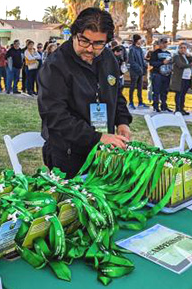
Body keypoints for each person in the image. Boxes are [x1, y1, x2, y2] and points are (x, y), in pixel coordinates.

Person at [38, 7, 132, 178]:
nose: (90, 49)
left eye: (98, 43)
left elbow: (116, 94)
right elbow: (55, 117)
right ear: (74, 34)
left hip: (104, 150)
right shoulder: (55, 66)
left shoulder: (108, 58)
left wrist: (123, 122)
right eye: (84, 41)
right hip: (68, 155)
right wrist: (97, 137)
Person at [169, 42, 192, 116]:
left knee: (183, 94)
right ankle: (177, 109)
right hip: (180, 78)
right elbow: (180, 65)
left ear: (187, 49)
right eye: (181, 48)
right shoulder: (176, 56)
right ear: (179, 49)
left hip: (187, 78)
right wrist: (189, 65)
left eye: (184, 48)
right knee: (179, 94)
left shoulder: (187, 56)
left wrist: (189, 56)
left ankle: (182, 109)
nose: (183, 49)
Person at [150, 38, 173, 113]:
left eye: (166, 43)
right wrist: (162, 62)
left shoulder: (169, 53)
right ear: (159, 44)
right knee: (156, 91)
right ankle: (155, 106)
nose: (164, 44)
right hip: (157, 74)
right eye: (163, 43)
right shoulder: (155, 53)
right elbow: (152, 63)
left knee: (165, 91)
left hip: (166, 75)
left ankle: (164, 106)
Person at [128, 34, 148, 109]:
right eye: (140, 39)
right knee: (132, 87)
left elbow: (142, 60)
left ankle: (140, 102)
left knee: (140, 87)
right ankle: (131, 102)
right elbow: (131, 61)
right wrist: (138, 69)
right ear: (136, 40)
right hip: (134, 72)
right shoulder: (131, 49)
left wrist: (144, 67)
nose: (141, 41)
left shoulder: (140, 49)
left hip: (141, 71)